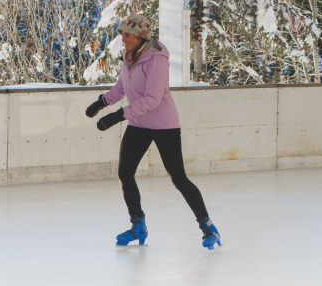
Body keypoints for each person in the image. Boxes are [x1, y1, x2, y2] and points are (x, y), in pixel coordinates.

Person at [85, 13, 221, 250]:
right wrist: (102, 102)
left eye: (126, 35)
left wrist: (119, 115)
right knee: (125, 173)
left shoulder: (156, 58)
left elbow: (153, 98)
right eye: (121, 35)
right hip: (139, 124)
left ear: (139, 36)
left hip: (163, 124)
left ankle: (208, 227)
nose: (123, 39)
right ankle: (138, 225)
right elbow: (122, 86)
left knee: (178, 178)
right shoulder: (129, 55)